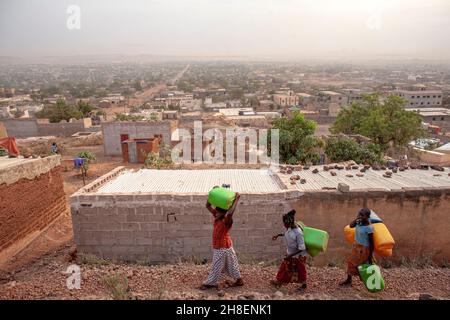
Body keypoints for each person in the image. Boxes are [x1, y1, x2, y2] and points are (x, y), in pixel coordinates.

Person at [200, 191, 244, 290]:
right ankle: (239, 280)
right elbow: (207, 206)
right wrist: (212, 195)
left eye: (218, 212)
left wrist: (236, 200)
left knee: (216, 266)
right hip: (226, 246)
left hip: (222, 247)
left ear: (223, 213)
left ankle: (209, 283)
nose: (215, 213)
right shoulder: (217, 216)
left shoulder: (226, 221)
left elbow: (230, 213)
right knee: (232, 264)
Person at [271, 209, 308, 291]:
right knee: (284, 267)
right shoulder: (289, 228)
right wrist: (278, 235)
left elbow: (302, 248)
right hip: (291, 253)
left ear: (289, 223)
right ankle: (279, 280)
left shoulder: (298, 233)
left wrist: (290, 255)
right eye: (284, 223)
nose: (284, 225)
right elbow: (286, 233)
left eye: (285, 224)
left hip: (299, 255)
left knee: (300, 269)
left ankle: (304, 284)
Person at [340, 208, 375, 286]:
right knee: (350, 263)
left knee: (362, 266)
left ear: (367, 216)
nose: (360, 216)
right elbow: (351, 225)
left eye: (362, 215)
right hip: (356, 246)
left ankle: (370, 282)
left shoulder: (369, 227)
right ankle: (349, 280)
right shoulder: (358, 222)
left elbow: (371, 242)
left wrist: (370, 255)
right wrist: (357, 219)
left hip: (363, 249)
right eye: (359, 214)